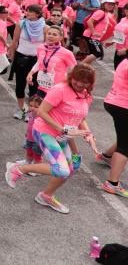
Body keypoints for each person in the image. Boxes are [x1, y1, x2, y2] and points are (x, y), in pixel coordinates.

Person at [6, 64, 97, 214]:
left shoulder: (87, 96)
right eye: (77, 79)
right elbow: (41, 112)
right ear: (71, 76)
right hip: (45, 132)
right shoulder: (60, 90)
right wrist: (60, 128)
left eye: (85, 81)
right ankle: (18, 169)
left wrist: (88, 135)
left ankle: (45, 196)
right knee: (61, 170)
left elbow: (80, 119)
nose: (80, 84)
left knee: (71, 168)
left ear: (91, 83)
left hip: (62, 137)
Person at [8, 4, 45, 121]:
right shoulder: (21, 24)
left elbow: (46, 46)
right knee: (20, 85)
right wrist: (12, 57)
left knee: (34, 87)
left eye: (30, 12)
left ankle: (30, 110)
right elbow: (14, 42)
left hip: (36, 60)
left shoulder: (45, 27)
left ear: (38, 14)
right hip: (21, 57)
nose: (27, 13)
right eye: (27, 11)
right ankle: (21, 109)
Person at [97, 58, 128, 198]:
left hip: (114, 101)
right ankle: (112, 184)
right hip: (123, 106)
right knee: (125, 146)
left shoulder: (125, 61)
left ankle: (106, 156)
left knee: (124, 137)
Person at [27, 26, 77, 97]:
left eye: (54, 34)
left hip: (57, 90)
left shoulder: (67, 53)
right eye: (49, 33)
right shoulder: (40, 48)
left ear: (60, 38)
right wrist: (30, 73)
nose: (50, 36)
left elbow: (74, 71)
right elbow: (39, 62)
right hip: (41, 87)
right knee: (37, 107)